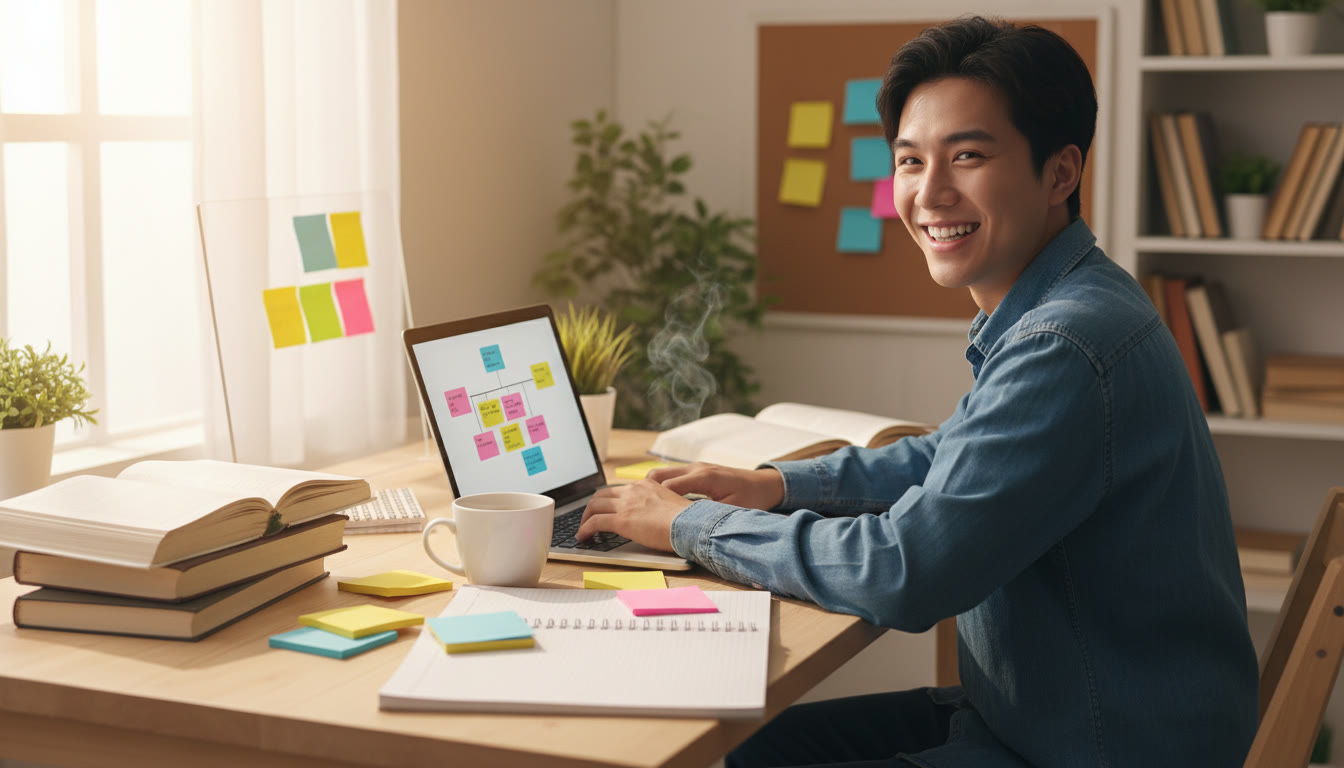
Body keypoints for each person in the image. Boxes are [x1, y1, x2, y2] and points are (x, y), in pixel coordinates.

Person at [577, 15, 1258, 768]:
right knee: (751, 750)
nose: (930, 193)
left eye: (967, 156)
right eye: (909, 161)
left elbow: (905, 571)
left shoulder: (1062, 343)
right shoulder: (1071, 303)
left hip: (1096, 744)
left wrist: (690, 526)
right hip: (1055, 713)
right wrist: (769, 486)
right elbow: (949, 461)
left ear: (1060, 173)